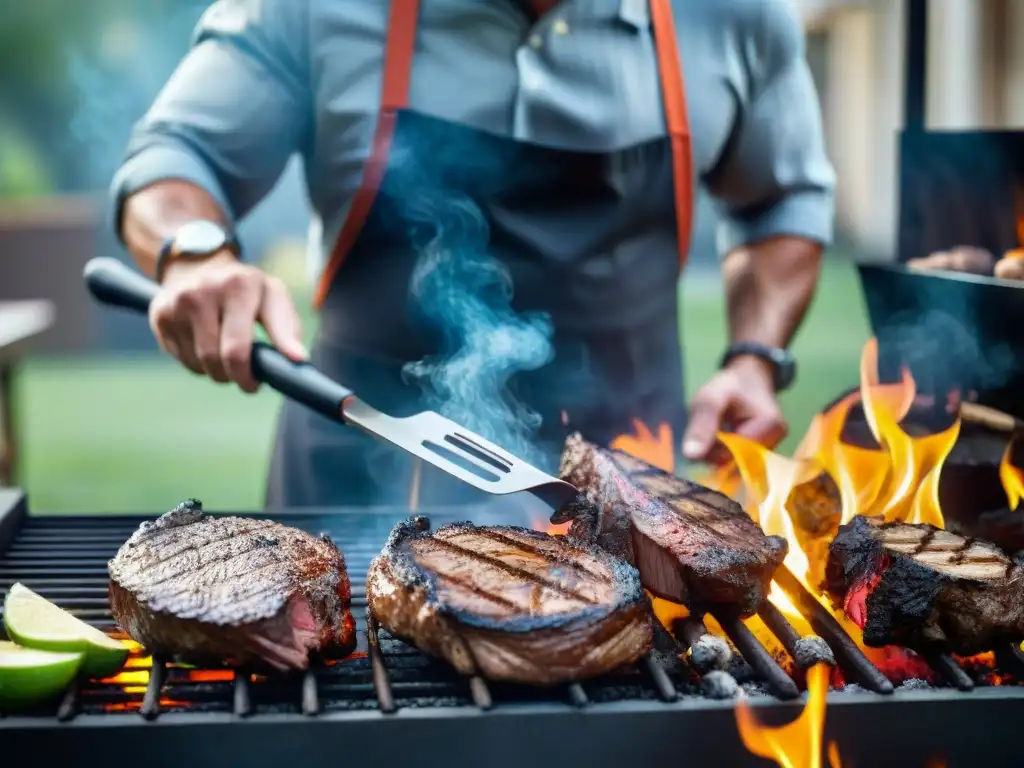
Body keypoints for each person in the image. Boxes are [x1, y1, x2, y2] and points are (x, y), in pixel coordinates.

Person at [110, 0, 835, 510]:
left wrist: (753, 357)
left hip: (625, 481)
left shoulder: (737, 14)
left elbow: (782, 202)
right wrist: (197, 252)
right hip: (355, 465)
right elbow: (179, 151)